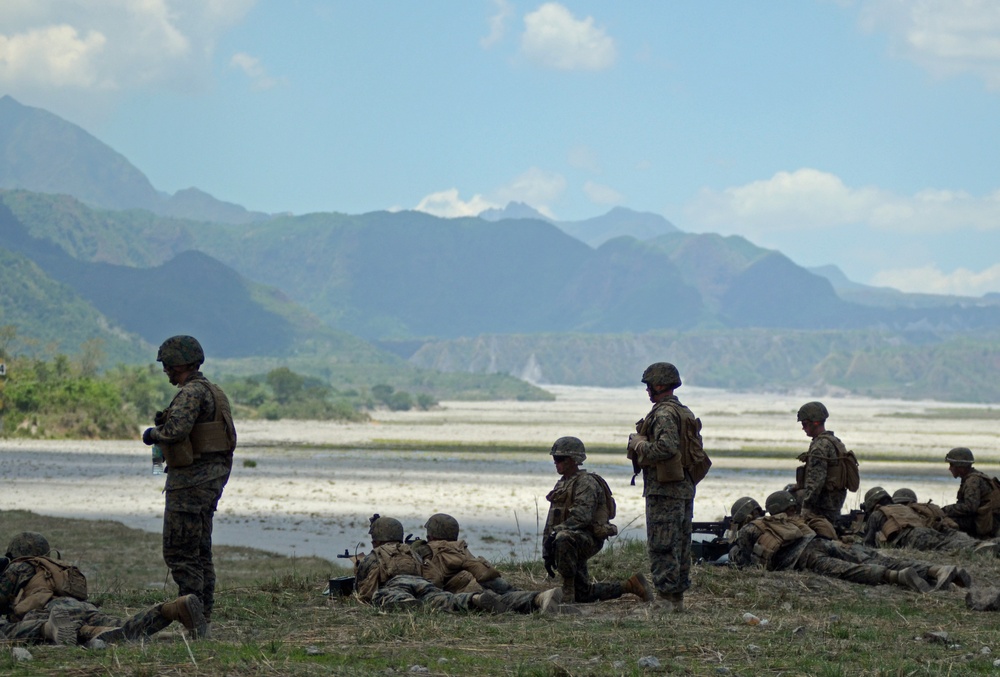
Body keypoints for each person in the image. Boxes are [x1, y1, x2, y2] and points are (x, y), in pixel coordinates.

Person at [141, 335, 237, 638]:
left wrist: (153, 435)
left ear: (178, 364)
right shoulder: (213, 391)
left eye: (168, 366)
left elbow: (176, 430)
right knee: (199, 551)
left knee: (180, 551)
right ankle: (201, 617)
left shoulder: (191, 393)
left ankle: (191, 616)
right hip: (208, 480)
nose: (165, 371)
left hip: (191, 483)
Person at [729, 492, 966, 593]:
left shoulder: (750, 529)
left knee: (850, 571)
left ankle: (898, 577)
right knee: (875, 556)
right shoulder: (779, 519)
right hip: (818, 542)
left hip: (804, 558)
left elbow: (740, 564)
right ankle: (936, 570)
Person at [0, 531, 204, 645]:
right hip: (83, 607)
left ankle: (75, 631)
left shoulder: (19, 566)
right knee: (125, 627)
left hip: (50, 612)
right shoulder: (57, 566)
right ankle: (170, 609)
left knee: (8, 632)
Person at [355, 516, 561, 614]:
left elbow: (362, 589)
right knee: (442, 598)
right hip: (475, 580)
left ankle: (473, 600)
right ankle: (536, 598)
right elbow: (426, 575)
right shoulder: (456, 547)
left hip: (405, 586)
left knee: (387, 596)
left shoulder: (378, 554)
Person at [541, 437, 652, 605]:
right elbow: (552, 520)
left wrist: (555, 538)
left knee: (563, 538)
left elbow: (582, 517)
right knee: (584, 594)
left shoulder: (586, 483)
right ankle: (631, 585)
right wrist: (547, 551)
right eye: (554, 459)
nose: (555, 463)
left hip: (585, 539)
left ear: (573, 460)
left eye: (559, 459)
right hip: (572, 540)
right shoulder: (563, 483)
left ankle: (567, 596)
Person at [626, 362, 696, 611]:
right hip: (682, 488)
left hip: (665, 490)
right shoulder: (682, 411)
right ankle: (675, 599)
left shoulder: (664, 414)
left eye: (649, 385)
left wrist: (639, 445)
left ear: (659, 384)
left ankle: (666, 600)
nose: (647, 390)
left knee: (663, 543)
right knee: (679, 543)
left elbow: (666, 448)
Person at [419, 513, 569, 613]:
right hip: (486, 576)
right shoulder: (459, 546)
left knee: (502, 601)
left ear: (431, 534)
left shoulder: (428, 549)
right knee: (512, 592)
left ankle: (538, 600)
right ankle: (543, 597)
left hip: (466, 585)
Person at [862, 486, 1000, 557]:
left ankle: (981, 549)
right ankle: (990, 544)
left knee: (952, 548)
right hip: (924, 530)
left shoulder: (876, 514)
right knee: (950, 543)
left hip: (913, 537)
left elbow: (868, 545)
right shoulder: (903, 508)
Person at [788, 401, 850, 524]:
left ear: (815, 423)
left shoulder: (819, 447)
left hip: (824, 505)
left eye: (805, 424)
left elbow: (816, 481)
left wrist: (806, 509)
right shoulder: (835, 441)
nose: (803, 428)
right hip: (836, 501)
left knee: (788, 497)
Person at [942, 447, 1000, 538]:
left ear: (960, 466)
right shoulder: (974, 477)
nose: (950, 468)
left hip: (987, 523)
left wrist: (946, 509)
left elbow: (970, 507)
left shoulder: (972, 481)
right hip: (988, 519)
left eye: (952, 465)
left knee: (944, 522)